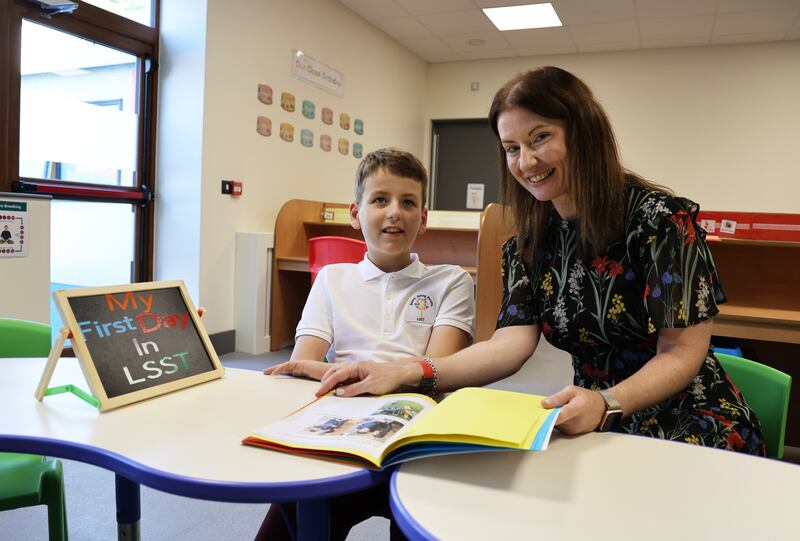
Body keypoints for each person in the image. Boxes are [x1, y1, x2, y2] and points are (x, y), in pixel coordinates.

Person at [317, 66, 765, 456]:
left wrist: (608, 402)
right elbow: (506, 347)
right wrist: (407, 371)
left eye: (540, 138)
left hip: (688, 418)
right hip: (589, 416)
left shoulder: (659, 220)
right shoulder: (529, 244)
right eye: (511, 148)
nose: (526, 161)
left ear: (582, 134)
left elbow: (684, 351)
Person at [254, 147, 476, 540]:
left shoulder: (451, 281)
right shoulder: (332, 279)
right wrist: (372, 377)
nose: (394, 211)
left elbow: (437, 373)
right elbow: (301, 366)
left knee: (423, 525)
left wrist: (349, 373)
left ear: (422, 220)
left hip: (415, 437)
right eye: (379, 199)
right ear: (355, 215)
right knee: (288, 518)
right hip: (341, 430)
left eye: (408, 202)